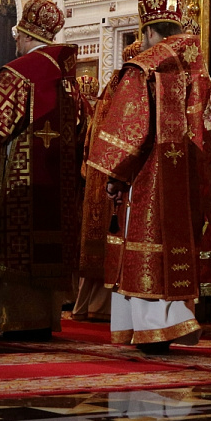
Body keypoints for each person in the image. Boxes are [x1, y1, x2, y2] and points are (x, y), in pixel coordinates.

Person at [87, 0, 211, 351]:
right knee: (175, 242)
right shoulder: (200, 68)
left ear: (148, 30)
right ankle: (177, 317)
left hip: (149, 176)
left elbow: (131, 131)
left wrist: (115, 175)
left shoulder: (145, 66)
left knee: (145, 242)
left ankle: (151, 327)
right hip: (188, 177)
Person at [0, 0, 87, 338]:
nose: (16, 41)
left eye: (17, 35)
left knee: (14, 242)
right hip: (57, 184)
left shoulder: (20, 73)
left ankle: (16, 318)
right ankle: (44, 319)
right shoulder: (69, 78)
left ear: (26, 35)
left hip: (20, 179)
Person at [72, 39, 141, 322]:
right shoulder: (127, 89)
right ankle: (107, 307)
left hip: (99, 175)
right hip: (116, 177)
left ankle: (91, 305)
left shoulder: (110, 90)